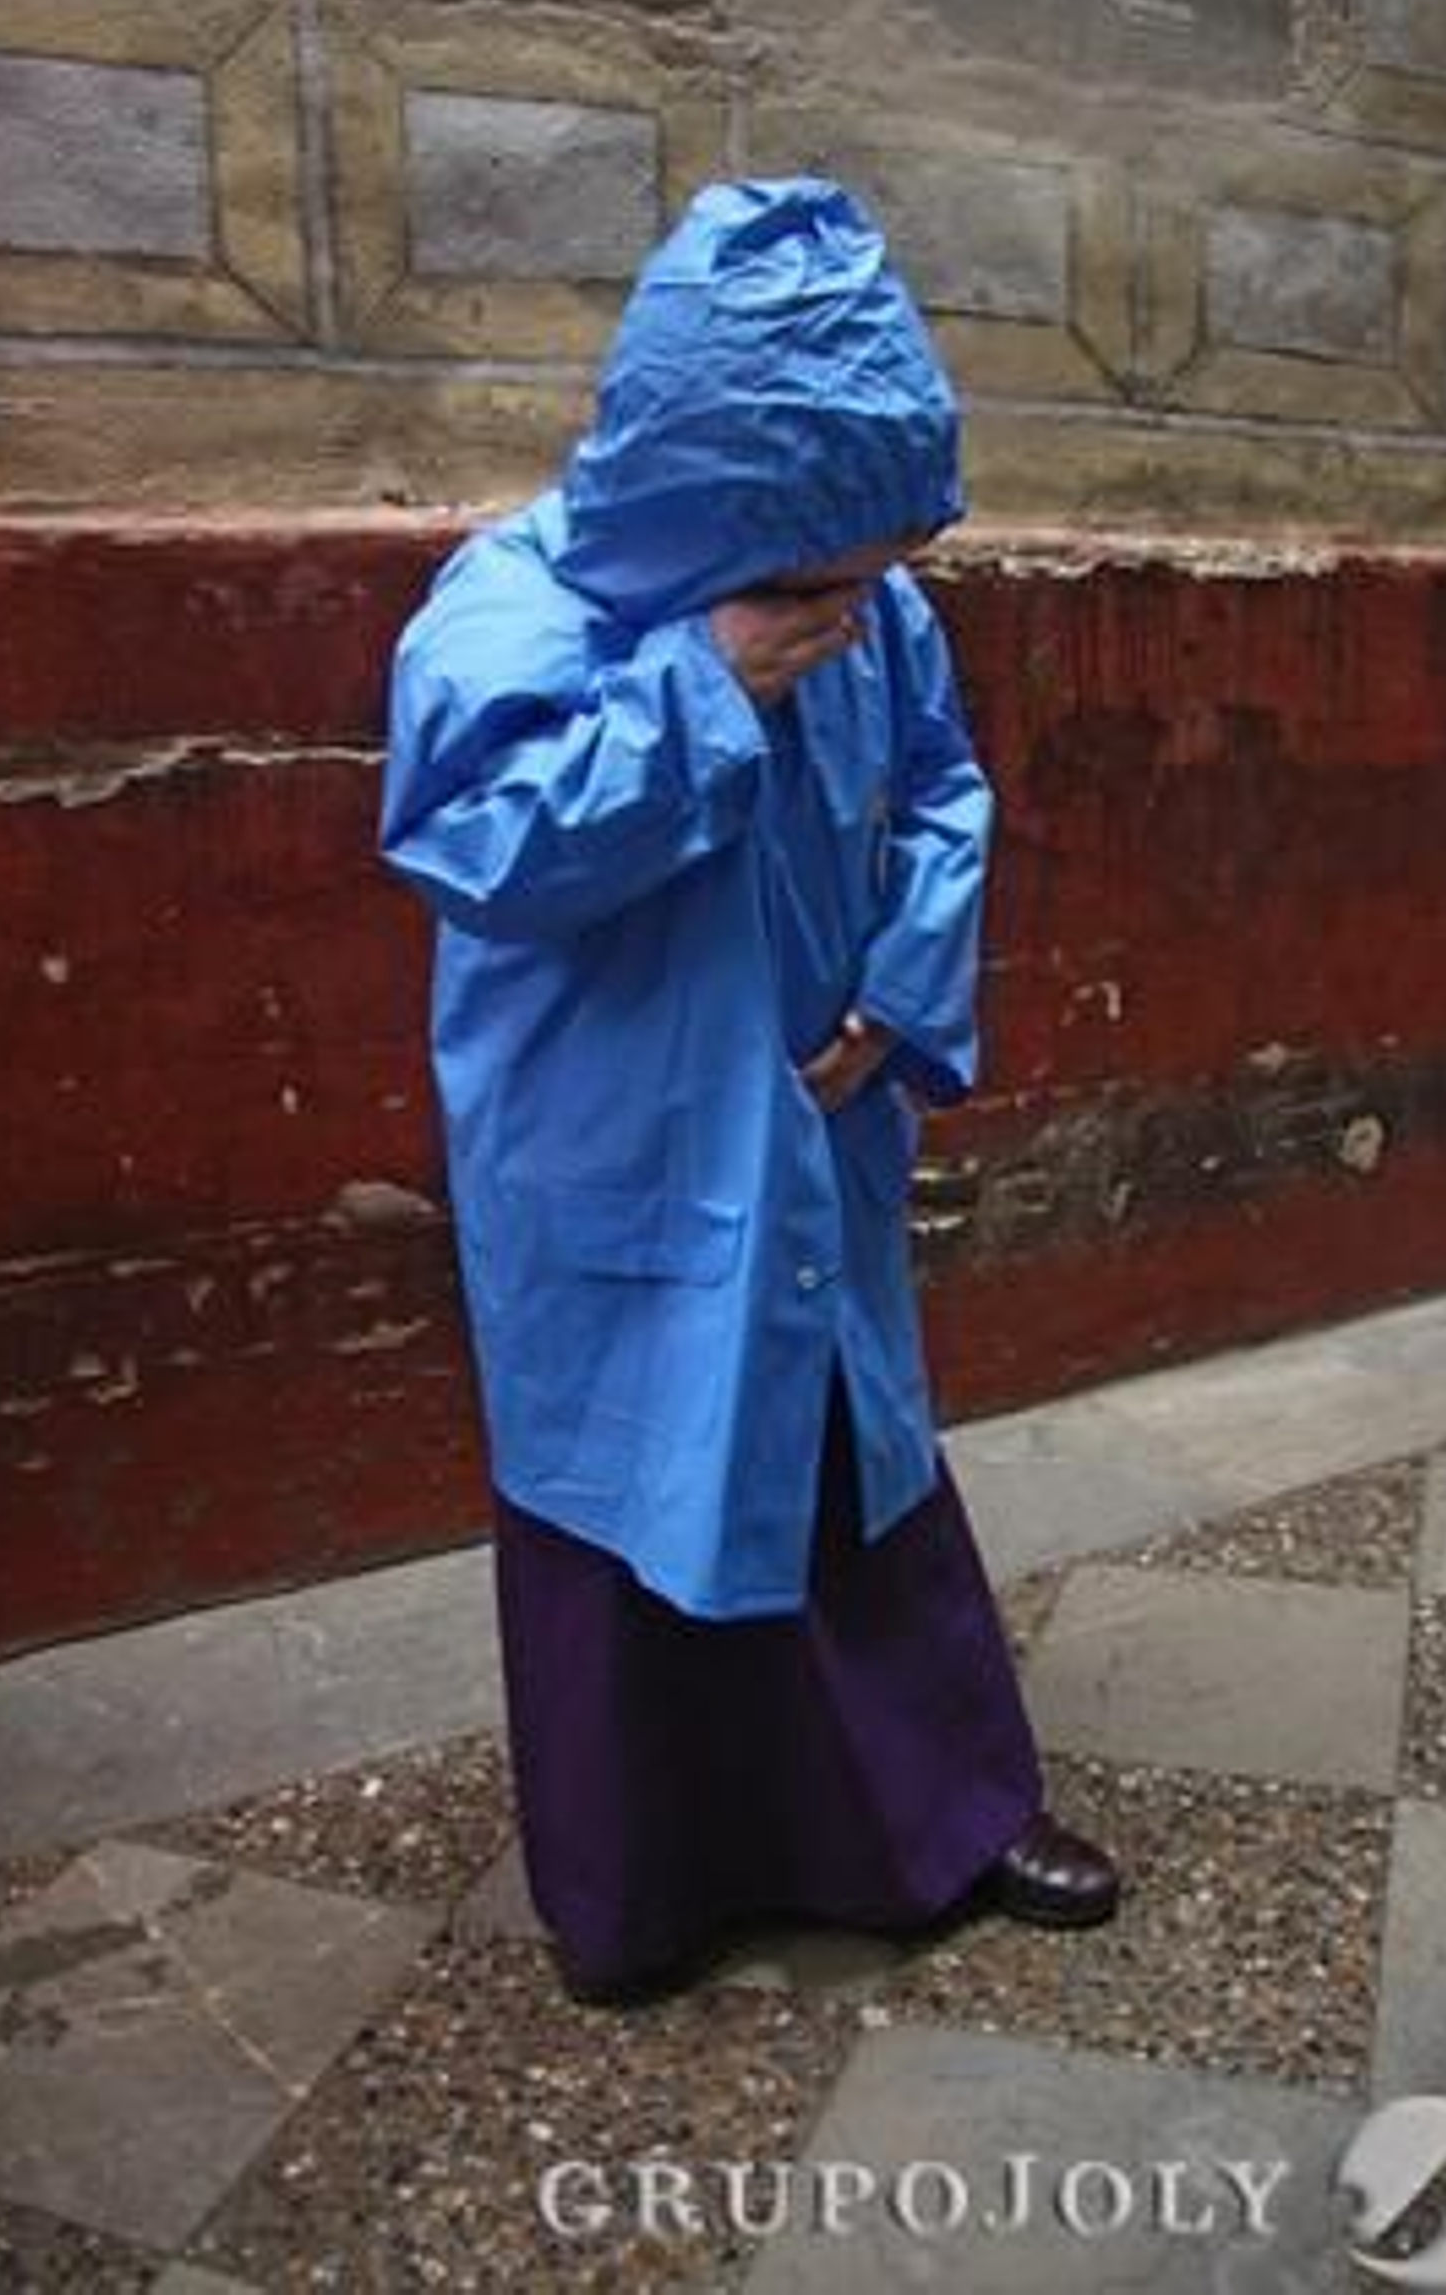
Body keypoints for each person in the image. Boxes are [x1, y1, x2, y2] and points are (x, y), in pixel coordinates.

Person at [380, 176, 1122, 2004]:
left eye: (885, 567)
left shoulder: (871, 615)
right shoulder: (510, 613)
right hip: (615, 1159)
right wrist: (702, 692)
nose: (863, 608)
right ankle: (644, 1892)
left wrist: (892, 998)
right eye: (824, 572)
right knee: (630, 1488)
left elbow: (946, 790)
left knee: (851, 1467)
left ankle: (946, 1817)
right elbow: (483, 843)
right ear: (715, 505)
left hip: (817, 1139)